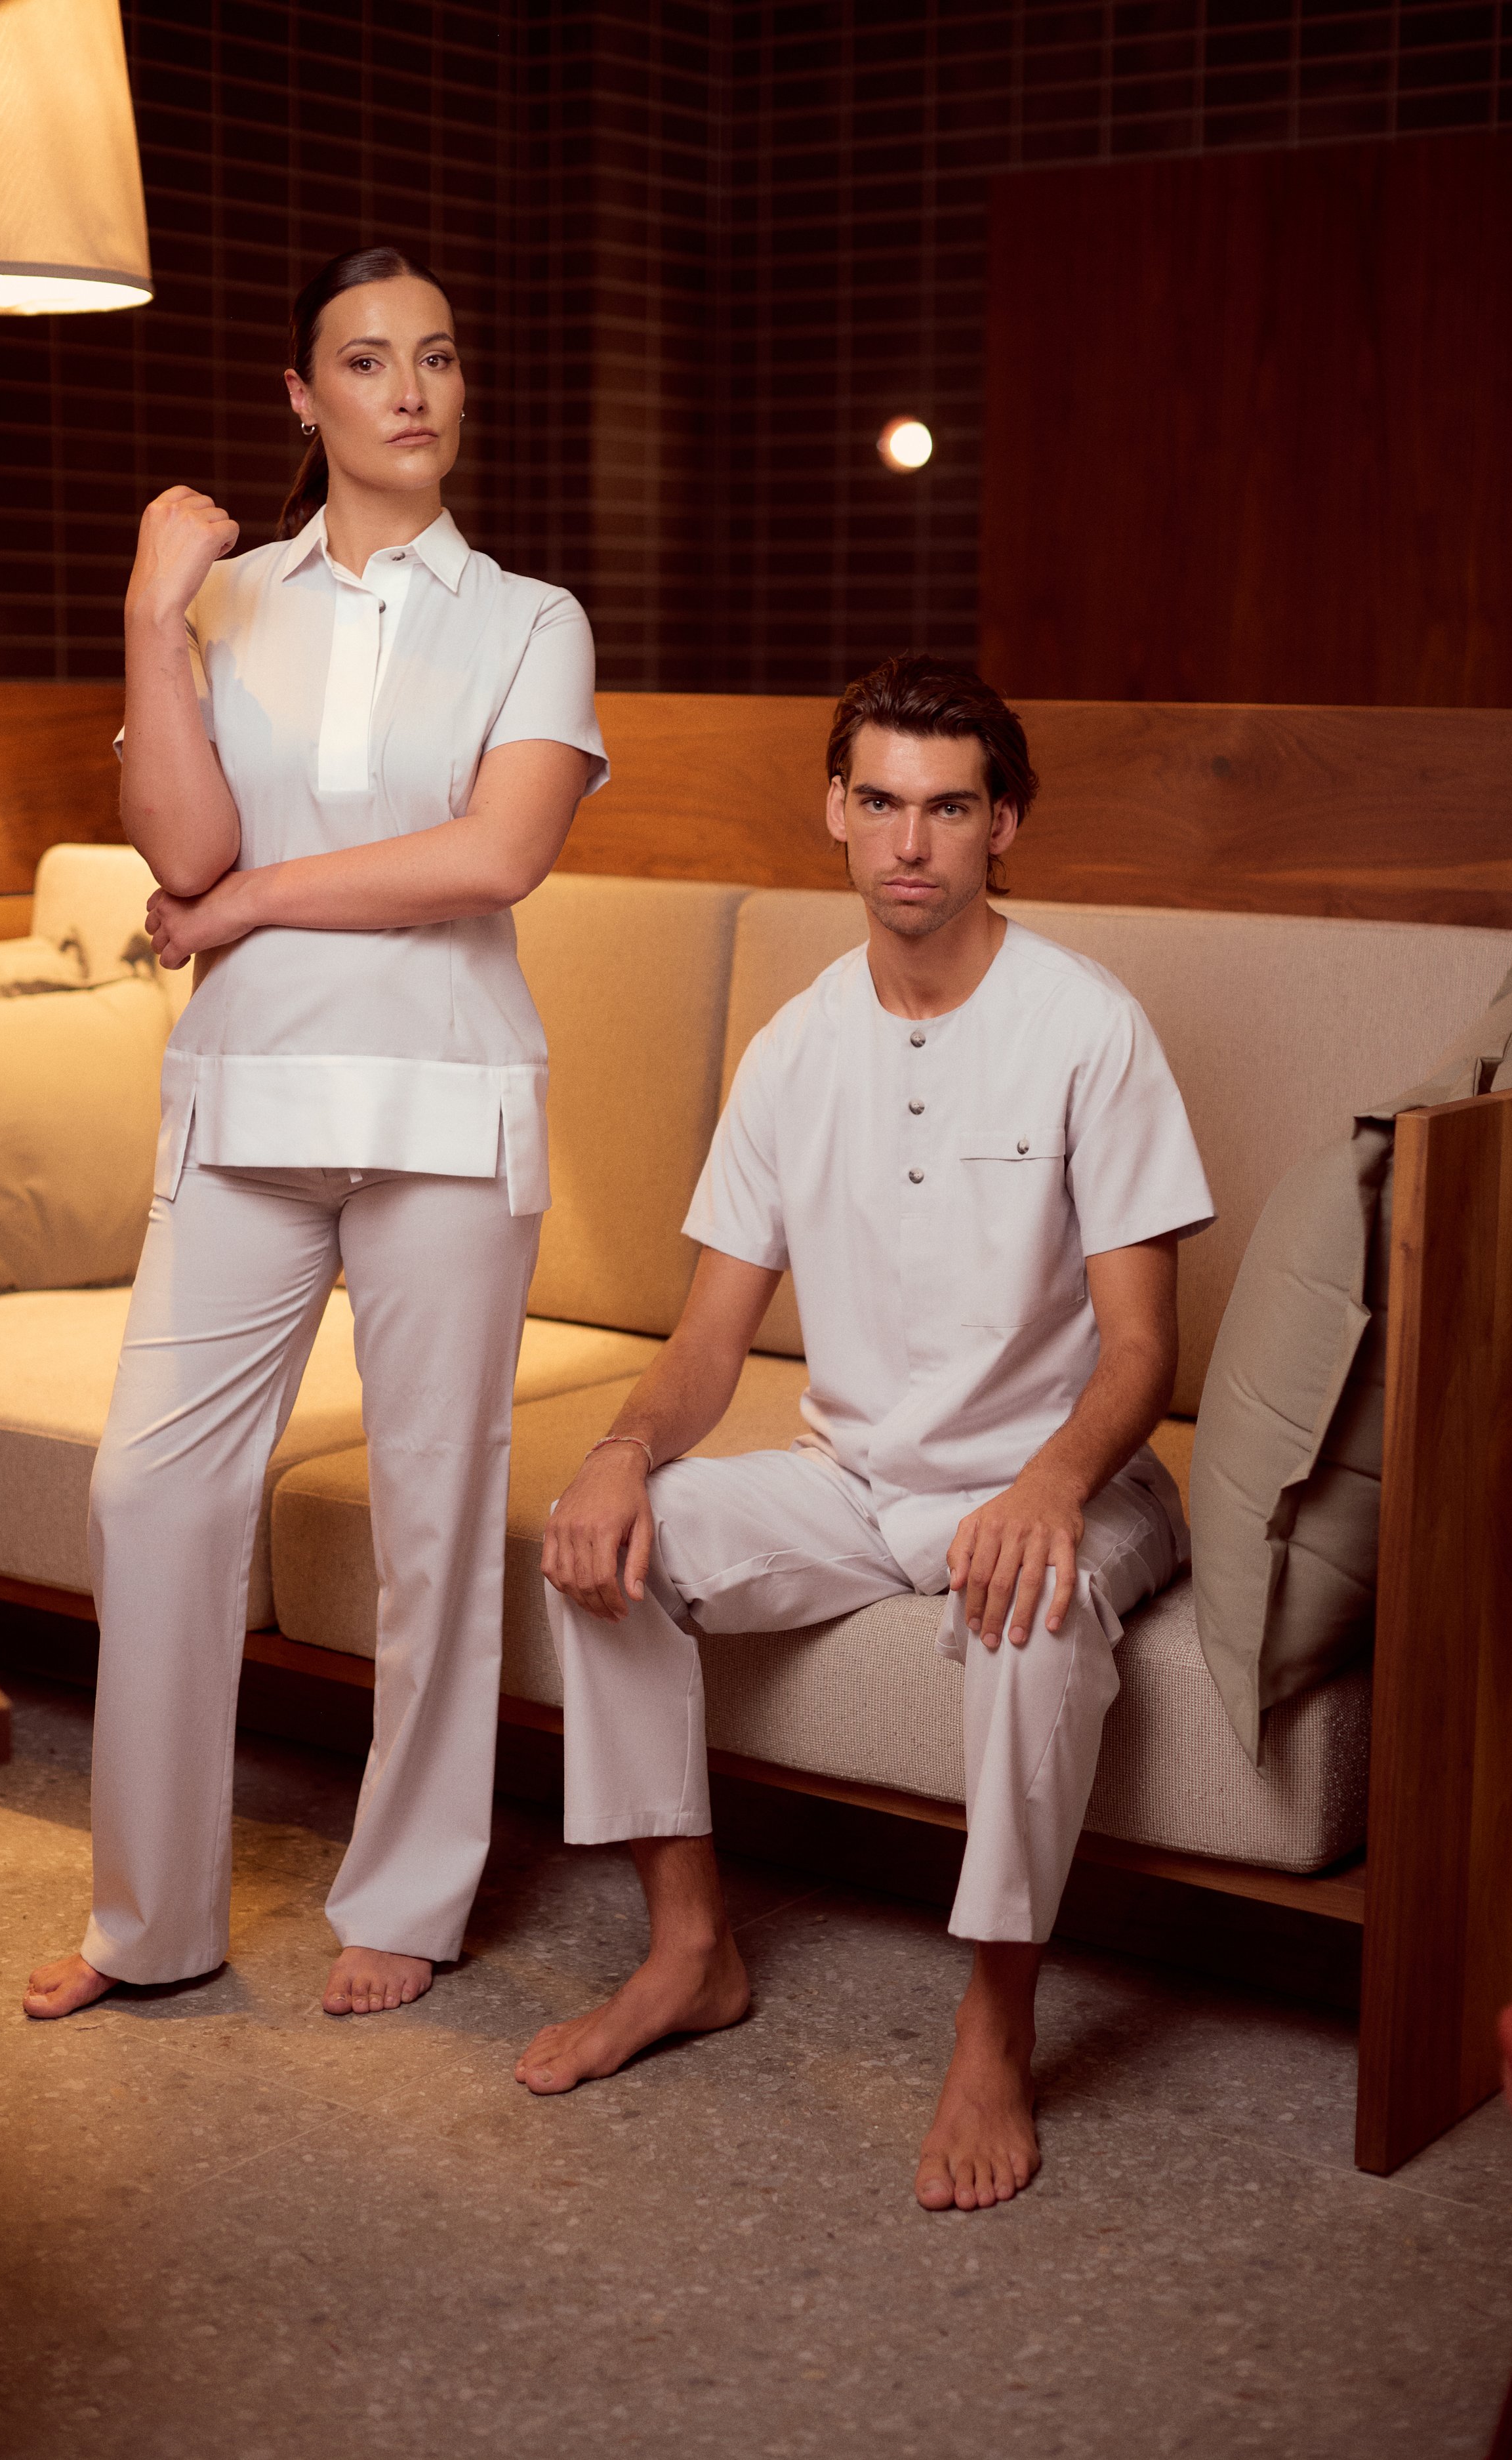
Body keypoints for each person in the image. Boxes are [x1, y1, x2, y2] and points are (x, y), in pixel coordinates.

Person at [523, 655, 1213, 2211]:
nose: (910, 842)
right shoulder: (790, 1050)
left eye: (948, 809)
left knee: (1028, 1603)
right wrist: (622, 1452)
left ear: (1000, 826)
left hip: (1070, 1477)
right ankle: (688, 1949)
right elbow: (707, 1344)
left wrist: (1046, 1487)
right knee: (609, 1542)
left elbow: (1142, 1351)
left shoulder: (1087, 1028)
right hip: (854, 1480)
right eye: (883, 803)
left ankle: (996, 2020)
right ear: (836, 812)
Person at [24, 243, 606, 2023]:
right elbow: (183, 853)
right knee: (151, 1491)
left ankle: (410, 1894)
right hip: (248, 1101)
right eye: (366, 360)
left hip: (447, 1107)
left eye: (438, 355)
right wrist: (151, 611)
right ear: (302, 395)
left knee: (434, 1514)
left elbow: (493, 856)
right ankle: (151, 1919)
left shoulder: (530, 617)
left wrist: (261, 897)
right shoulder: (220, 602)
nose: (411, 391)